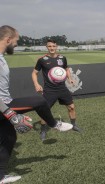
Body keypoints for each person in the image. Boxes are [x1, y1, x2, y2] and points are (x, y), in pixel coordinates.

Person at [0, 25, 73, 183]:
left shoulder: (1, 57)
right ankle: (54, 124)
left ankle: (0, 176)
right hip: (3, 106)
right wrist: (11, 115)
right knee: (40, 100)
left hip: (4, 103)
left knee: (9, 138)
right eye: (16, 41)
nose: (17, 44)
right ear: (8, 39)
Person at [32, 39, 82, 141]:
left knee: (71, 107)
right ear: (47, 47)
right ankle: (43, 130)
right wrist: (36, 84)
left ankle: (74, 125)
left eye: (53, 46)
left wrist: (70, 78)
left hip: (62, 88)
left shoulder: (62, 58)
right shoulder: (42, 59)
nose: (52, 48)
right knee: (45, 111)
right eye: (49, 46)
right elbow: (34, 73)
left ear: (56, 46)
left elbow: (67, 68)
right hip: (49, 90)